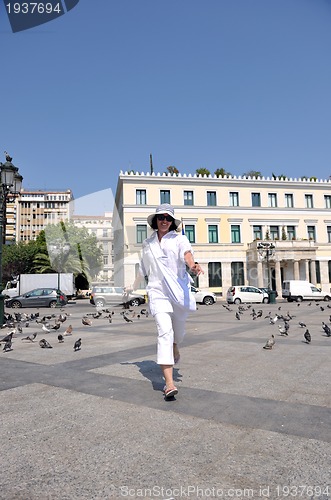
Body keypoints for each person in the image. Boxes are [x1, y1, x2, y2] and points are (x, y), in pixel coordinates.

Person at [127, 204, 203, 400]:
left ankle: (176, 344)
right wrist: (132, 286)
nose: (164, 221)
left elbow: (187, 255)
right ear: (155, 220)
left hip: (177, 292)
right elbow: (143, 269)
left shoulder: (179, 239)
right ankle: (169, 383)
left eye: (168, 218)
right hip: (157, 292)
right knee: (164, 332)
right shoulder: (148, 244)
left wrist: (193, 265)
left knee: (178, 331)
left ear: (172, 222)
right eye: (161, 217)